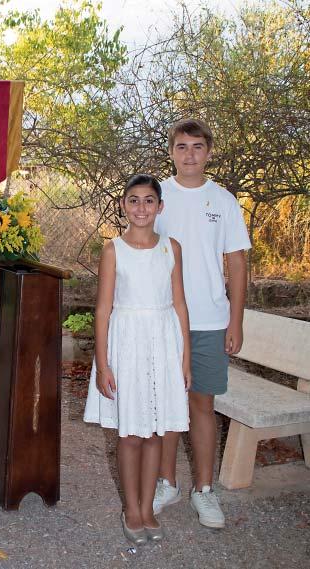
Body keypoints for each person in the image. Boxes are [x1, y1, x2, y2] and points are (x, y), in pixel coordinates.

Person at [152, 118, 251, 529]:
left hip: (210, 320)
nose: (189, 154)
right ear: (171, 152)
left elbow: (237, 263)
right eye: (181, 146)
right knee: (166, 406)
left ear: (208, 152)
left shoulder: (223, 200)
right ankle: (166, 483)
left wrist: (235, 320)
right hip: (164, 318)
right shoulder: (157, 197)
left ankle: (204, 490)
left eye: (197, 146)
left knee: (202, 406)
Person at [84, 174, 191, 545]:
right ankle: (131, 508)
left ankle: (148, 508)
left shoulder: (171, 248)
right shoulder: (113, 250)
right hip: (127, 345)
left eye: (149, 200)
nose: (141, 207)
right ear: (123, 205)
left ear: (160, 206)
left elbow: (180, 304)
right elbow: (103, 309)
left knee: (156, 432)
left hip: (163, 344)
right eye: (134, 200)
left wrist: (185, 359)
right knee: (130, 434)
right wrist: (103, 364)